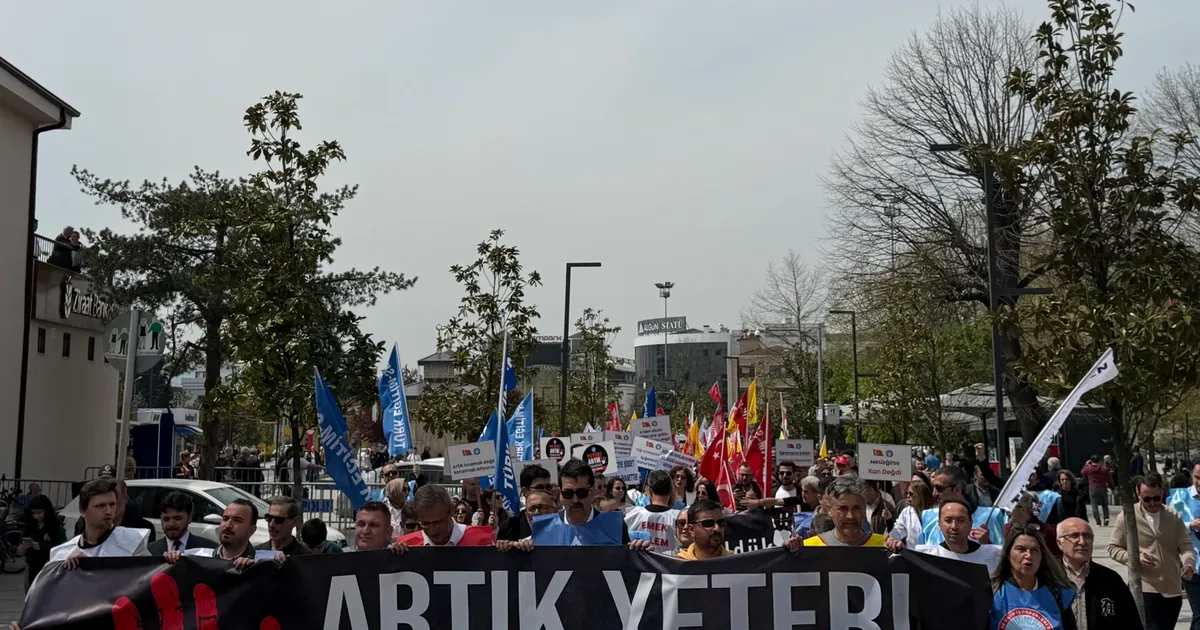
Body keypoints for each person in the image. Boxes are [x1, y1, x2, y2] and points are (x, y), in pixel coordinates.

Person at [1110, 473, 1195, 629]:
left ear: (1162, 492)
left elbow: (1185, 546)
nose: (1153, 503)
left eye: (1156, 498)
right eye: (1147, 499)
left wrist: (1189, 564)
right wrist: (1135, 557)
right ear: (1138, 494)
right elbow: (1113, 548)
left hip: (1172, 589)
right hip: (1145, 587)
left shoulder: (1173, 516)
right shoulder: (1128, 516)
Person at [48, 478, 150, 570]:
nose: (109, 511)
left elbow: (145, 578)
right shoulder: (62, 554)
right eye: (100, 506)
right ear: (82, 510)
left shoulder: (132, 542)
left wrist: (93, 567)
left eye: (112, 504)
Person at [1057, 517, 1142, 628]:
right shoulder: (1049, 577)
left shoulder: (1110, 579)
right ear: (1059, 543)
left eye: (1087, 536)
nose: (1082, 542)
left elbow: (1131, 622)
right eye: (1074, 536)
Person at [991, 527, 1077, 629]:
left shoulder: (1058, 595)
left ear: (1042, 557)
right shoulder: (992, 591)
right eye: (1021, 549)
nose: (1028, 555)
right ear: (1008, 554)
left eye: (1035, 550)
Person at [913, 465, 1006, 547]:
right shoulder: (928, 517)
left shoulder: (991, 516)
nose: (934, 493)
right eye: (933, 487)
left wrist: (987, 543)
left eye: (939, 488)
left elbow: (1001, 554)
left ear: (957, 489)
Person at [913, 499, 1002, 573]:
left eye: (961, 520)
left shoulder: (994, 555)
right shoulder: (926, 558)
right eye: (948, 520)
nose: (954, 526)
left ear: (970, 524)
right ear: (939, 524)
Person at [795, 477, 887, 547]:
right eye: (843, 509)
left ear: (864, 509)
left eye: (857, 508)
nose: (850, 516)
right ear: (830, 510)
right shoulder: (811, 547)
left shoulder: (883, 545)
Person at [396, 485, 495, 548]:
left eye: (438, 522)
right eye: (425, 523)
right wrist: (391, 557)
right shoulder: (405, 546)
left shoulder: (482, 541)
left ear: (451, 511)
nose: (432, 530)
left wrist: (502, 550)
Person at [1167, 462, 1200, 625]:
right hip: (1191, 562)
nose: (1199, 482)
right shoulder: (1180, 497)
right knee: (1199, 612)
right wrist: (1190, 526)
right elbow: (1169, 527)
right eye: (1197, 477)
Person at [15, 494, 66, 592]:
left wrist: (41, 547)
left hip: (50, 569)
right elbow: (20, 551)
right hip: (32, 568)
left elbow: (62, 549)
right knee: (31, 594)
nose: (36, 516)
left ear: (47, 511)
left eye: (39, 513)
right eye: (33, 513)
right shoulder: (30, 527)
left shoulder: (56, 528)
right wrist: (23, 548)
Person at [625, 470, 682, 554]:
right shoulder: (679, 517)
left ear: (649, 490)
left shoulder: (632, 515)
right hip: (670, 561)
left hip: (641, 561)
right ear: (671, 490)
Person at [147, 492, 217, 555]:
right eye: (166, 519)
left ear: (189, 518)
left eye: (177, 518)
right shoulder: (149, 551)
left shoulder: (208, 549)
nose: (171, 524)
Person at [1004, 493, 1061, 558]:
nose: (1006, 511)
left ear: (1023, 509)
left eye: (1009, 507)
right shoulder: (1008, 529)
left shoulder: (1048, 532)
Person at [889, 479, 934, 550]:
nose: (907, 496)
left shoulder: (935, 512)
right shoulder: (906, 512)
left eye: (911, 494)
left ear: (920, 495)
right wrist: (891, 538)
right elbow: (898, 530)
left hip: (932, 553)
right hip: (912, 553)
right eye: (907, 493)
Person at [1081, 454, 1112, 526]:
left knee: (1094, 505)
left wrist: (1086, 465)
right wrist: (1111, 486)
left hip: (1093, 488)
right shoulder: (1103, 468)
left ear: (1091, 460)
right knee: (1104, 504)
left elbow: (1082, 473)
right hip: (1102, 487)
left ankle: (1098, 520)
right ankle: (1106, 517)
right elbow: (1108, 478)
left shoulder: (1088, 468)